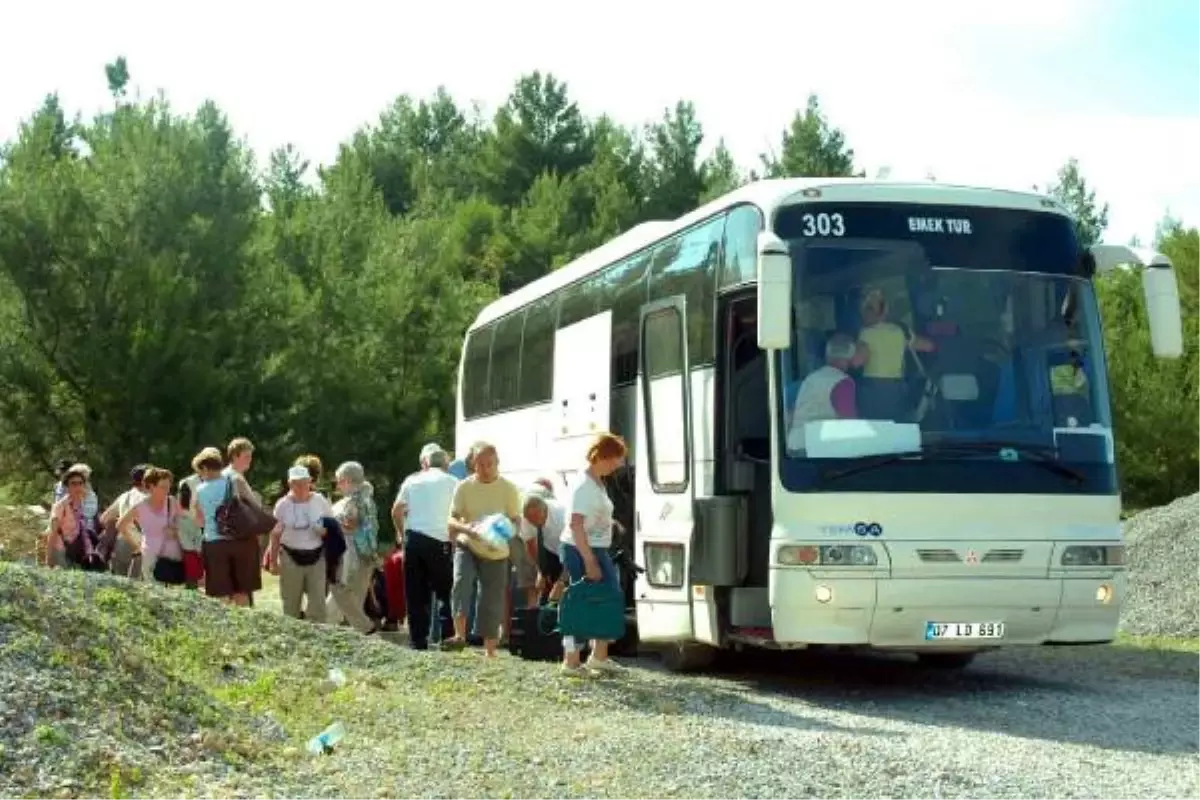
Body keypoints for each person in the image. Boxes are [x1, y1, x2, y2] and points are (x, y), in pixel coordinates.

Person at [441, 441, 521, 657]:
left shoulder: (509, 489)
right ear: (473, 465)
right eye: (480, 464)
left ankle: (490, 651)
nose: (485, 469)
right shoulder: (464, 487)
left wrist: (504, 533)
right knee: (461, 582)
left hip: (496, 551)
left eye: (490, 464)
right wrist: (467, 529)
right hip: (468, 543)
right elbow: (451, 519)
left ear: (497, 463)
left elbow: (515, 521)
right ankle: (459, 635)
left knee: (492, 598)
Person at [561, 432, 627, 677]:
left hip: (596, 546)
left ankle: (598, 656)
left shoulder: (597, 481)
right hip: (581, 549)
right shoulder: (583, 485)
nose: (619, 464)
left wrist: (612, 523)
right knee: (581, 601)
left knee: (609, 597)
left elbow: (592, 515)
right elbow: (576, 524)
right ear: (603, 456)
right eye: (616, 458)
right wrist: (589, 561)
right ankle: (571, 661)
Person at [393, 443, 458, 650]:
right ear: (446, 464)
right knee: (445, 592)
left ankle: (417, 640)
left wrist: (402, 534)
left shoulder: (412, 480)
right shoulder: (453, 482)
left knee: (415, 593)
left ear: (426, 464)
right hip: (440, 541)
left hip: (414, 540)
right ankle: (447, 637)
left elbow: (396, 510)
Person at [194, 439, 267, 607]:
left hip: (214, 541)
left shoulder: (202, 488)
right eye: (247, 456)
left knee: (222, 594)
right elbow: (255, 507)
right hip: (239, 540)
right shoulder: (234, 479)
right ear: (234, 456)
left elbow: (199, 519)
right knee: (241, 592)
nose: (250, 460)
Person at [268, 465, 334, 623]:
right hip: (291, 555)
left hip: (317, 555)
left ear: (310, 482)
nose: (301, 487)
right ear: (290, 484)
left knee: (318, 603)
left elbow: (332, 529)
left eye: (305, 483)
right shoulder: (282, 505)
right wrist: (273, 561)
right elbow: (275, 534)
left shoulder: (319, 500)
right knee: (291, 603)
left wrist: (322, 530)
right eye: (297, 483)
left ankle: (318, 637)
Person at [856, 288, 934, 420]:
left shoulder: (865, 334)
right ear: (886, 311)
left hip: (872, 390)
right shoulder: (901, 330)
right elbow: (928, 346)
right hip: (897, 390)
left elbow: (857, 361)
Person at [329, 461, 381, 635]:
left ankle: (364, 629)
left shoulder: (353, 502)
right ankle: (352, 633)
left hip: (351, 554)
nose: (338, 485)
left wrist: (331, 524)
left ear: (348, 480)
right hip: (367, 554)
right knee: (353, 599)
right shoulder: (368, 499)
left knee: (341, 592)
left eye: (340, 481)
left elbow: (351, 524)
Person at [788, 333, 862, 442]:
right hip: (819, 447)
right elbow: (849, 424)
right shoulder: (842, 382)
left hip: (796, 443)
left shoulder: (811, 377)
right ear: (851, 355)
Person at [116, 467, 184, 584]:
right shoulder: (140, 506)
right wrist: (136, 545)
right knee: (156, 591)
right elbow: (120, 525)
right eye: (163, 487)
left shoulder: (172, 502)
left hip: (173, 557)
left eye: (168, 487)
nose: (167, 490)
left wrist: (176, 530)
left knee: (174, 595)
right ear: (151, 486)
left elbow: (184, 523)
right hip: (150, 556)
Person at [521, 485, 568, 605]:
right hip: (549, 549)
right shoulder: (527, 519)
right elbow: (531, 544)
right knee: (546, 589)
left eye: (536, 517)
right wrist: (540, 571)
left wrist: (562, 580)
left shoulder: (562, 516)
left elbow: (575, 550)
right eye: (530, 519)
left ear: (545, 510)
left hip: (573, 550)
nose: (534, 522)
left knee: (562, 589)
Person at [101, 464, 149, 579]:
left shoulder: (124, 496)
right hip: (138, 545)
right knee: (138, 588)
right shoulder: (146, 498)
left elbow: (104, 518)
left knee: (121, 588)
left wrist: (120, 520)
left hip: (120, 545)